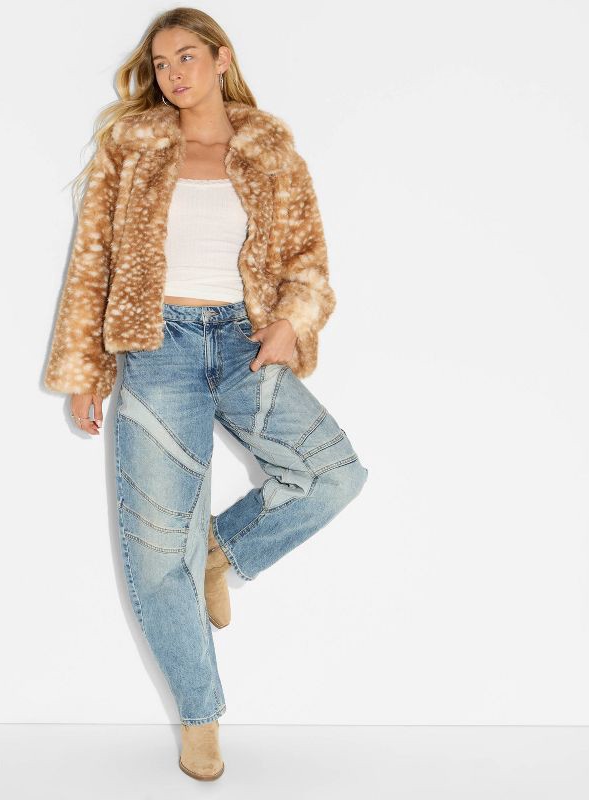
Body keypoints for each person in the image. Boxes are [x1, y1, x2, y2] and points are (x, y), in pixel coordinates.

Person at [43, 7, 369, 781]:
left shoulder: (270, 149)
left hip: (245, 344)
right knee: (159, 554)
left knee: (334, 475)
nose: (172, 75)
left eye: (186, 57)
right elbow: (91, 262)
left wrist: (290, 322)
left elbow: (309, 260)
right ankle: (200, 716)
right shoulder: (132, 148)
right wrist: (86, 368)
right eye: (160, 64)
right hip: (157, 349)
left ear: (222, 59)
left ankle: (223, 552)